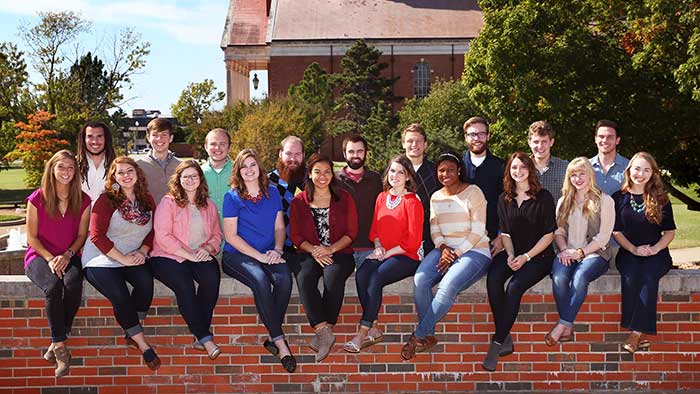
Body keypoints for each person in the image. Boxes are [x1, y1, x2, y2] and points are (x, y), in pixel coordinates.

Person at [401, 152, 491, 360]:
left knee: (446, 287)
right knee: (421, 279)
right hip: (445, 250)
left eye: (450, 169)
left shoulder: (474, 192)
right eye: (441, 170)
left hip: (475, 250)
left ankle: (418, 335)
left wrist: (455, 254)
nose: (445, 173)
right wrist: (443, 249)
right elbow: (435, 230)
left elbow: (478, 231)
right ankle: (429, 336)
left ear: (459, 170)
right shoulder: (436, 197)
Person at [81, 156, 160, 371]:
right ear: (113, 177)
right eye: (120, 172)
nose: (125, 176)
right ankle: (143, 344)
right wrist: (123, 258)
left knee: (145, 285)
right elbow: (96, 236)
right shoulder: (106, 200)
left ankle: (131, 327)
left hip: (133, 255)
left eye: (129, 171)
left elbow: (154, 230)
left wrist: (143, 251)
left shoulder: (147, 200)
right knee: (121, 295)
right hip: (101, 258)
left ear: (137, 174)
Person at [221, 149, 296, 373]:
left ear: (259, 168)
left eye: (253, 165)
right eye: (244, 166)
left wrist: (278, 249)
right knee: (261, 280)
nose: (249, 170)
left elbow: (279, 227)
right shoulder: (232, 197)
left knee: (284, 279)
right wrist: (260, 256)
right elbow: (231, 236)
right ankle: (281, 343)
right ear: (238, 171)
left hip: (269, 252)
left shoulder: (272, 194)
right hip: (237, 255)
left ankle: (273, 336)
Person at [483, 152, 555, 371]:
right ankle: (505, 337)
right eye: (514, 167)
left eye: (523, 167)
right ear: (509, 171)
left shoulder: (544, 197)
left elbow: (549, 235)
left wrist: (526, 257)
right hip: (513, 251)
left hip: (538, 256)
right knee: (494, 279)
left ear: (530, 170)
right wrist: (512, 254)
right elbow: (504, 232)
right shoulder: (504, 198)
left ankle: (497, 342)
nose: (518, 171)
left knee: (514, 287)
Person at [344, 155, 424, 353]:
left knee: (376, 277)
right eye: (392, 171)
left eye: (401, 172)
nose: (395, 175)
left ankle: (362, 333)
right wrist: (378, 247)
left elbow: (412, 242)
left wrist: (386, 253)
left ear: (408, 177)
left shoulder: (412, 202)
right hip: (385, 252)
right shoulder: (382, 197)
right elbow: (375, 230)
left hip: (407, 256)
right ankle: (375, 327)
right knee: (362, 273)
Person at [24, 150, 91, 378]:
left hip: (69, 255)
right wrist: (51, 258)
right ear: (52, 169)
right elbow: (31, 237)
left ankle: (56, 341)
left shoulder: (83, 200)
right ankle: (61, 348)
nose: (66, 172)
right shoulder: (37, 199)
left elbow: (82, 235)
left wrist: (67, 255)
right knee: (53, 287)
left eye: (71, 168)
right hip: (39, 256)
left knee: (73, 284)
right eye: (61, 167)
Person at [150, 160, 222, 359]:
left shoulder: (209, 205)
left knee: (211, 278)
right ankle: (205, 338)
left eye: (194, 176)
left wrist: (207, 248)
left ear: (200, 179)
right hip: (167, 256)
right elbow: (163, 236)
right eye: (185, 176)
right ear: (179, 180)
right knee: (184, 284)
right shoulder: (169, 202)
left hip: (198, 253)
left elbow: (217, 234)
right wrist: (189, 255)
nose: (190, 180)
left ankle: (200, 335)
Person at [290, 154, 358, 362]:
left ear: (333, 174)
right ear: (309, 174)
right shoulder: (299, 201)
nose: (322, 176)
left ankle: (324, 329)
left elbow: (351, 232)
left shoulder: (344, 198)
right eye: (317, 171)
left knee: (333, 277)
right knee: (305, 277)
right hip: (309, 252)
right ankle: (323, 332)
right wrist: (314, 250)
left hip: (340, 252)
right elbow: (295, 235)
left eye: (327, 172)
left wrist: (330, 249)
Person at [612, 152, 675, 353]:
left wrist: (655, 248)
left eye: (646, 170)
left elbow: (670, 232)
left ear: (652, 173)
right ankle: (643, 334)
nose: (641, 174)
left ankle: (635, 333)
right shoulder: (619, 197)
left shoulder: (661, 198)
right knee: (630, 277)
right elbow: (617, 231)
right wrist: (633, 249)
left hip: (657, 252)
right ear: (629, 170)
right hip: (629, 251)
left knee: (648, 277)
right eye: (637, 168)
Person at [547, 158, 614, 345]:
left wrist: (581, 253)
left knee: (579, 277)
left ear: (590, 175)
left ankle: (562, 325)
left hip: (595, 254)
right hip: (567, 252)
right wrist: (564, 250)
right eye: (573, 175)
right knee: (559, 278)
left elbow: (603, 238)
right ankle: (566, 327)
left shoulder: (605, 200)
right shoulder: (563, 201)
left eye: (581, 174)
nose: (578, 178)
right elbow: (558, 232)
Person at [335, 134, 382, 268]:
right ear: (344, 154)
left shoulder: (376, 180)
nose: (355, 155)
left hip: (370, 246)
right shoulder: (334, 181)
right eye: (351, 151)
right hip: (341, 248)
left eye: (360, 151)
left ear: (366, 153)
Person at [462, 117, 506, 256]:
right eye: (472, 134)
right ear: (465, 137)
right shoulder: (456, 167)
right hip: (461, 237)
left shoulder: (502, 167)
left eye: (481, 134)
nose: (477, 138)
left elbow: (508, 204)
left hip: (492, 240)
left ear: (488, 136)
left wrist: (501, 236)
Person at [402, 123, 439, 256]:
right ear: (403, 144)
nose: (414, 144)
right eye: (410, 141)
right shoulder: (395, 171)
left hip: (430, 236)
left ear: (425, 144)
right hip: (400, 236)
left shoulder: (436, 171)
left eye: (419, 141)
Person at [268, 136, 306, 252]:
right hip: (276, 247)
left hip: (306, 246)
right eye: (288, 153)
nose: (293, 159)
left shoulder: (312, 180)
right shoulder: (268, 182)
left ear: (303, 155)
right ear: (280, 154)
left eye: (297, 154)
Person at [136, 117, 182, 204]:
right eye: (155, 135)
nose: (159, 139)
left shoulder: (182, 166)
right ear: (148, 137)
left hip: (176, 216)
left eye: (164, 134)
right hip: (149, 216)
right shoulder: (138, 166)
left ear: (171, 138)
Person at [527, 120, 568, 203]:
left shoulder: (565, 168)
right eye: (536, 142)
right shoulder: (521, 168)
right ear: (529, 143)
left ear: (551, 142)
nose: (540, 146)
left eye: (544, 141)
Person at [76, 121, 116, 205]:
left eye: (99, 136)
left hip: (108, 216)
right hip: (78, 216)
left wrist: (115, 188)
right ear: (84, 139)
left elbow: (120, 190)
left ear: (106, 139)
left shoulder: (117, 166)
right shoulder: (73, 165)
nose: (95, 141)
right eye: (90, 136)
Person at [201, 128, 233, 227]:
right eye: (213, 144)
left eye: (222, 144)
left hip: (236, 233)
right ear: (206, 146)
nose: (217, 148)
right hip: (207, 234)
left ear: (229, 147)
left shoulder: (240, 171)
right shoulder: (198, 173)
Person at [589, 120, 629, 196]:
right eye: (601, 136)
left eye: (610, 137)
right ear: (595, 139)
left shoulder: (629, 167)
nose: (605, 140)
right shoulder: (585, 166)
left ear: (617, 140)